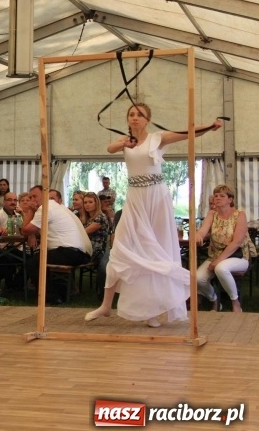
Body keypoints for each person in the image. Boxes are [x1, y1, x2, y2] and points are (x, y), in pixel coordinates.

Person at [85, 103, 223, 327]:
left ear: (148, 119)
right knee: (120, 248)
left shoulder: (157, 138)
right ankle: (106, 305)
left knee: (155, 253)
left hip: (157, 199)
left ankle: (152, 311)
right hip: (135, 199)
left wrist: (209, 125)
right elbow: (110, 148)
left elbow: (187, 132)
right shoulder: (125, 142)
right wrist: (123, 141)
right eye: (131, 114)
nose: (135, 118)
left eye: (139, 115)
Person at [21, 185, 92, 303]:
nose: (32, 200)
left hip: (69, 251)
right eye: (30, 197)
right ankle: (60, 293)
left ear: (44, 195)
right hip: (81, 253)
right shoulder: (57, 207)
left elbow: (25, 230)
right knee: (42, 259)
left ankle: (51, 298)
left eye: (35, 196)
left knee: (32, 263)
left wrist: (30, 211)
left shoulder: (45, 208)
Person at [195, 185, 255, 313]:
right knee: (198, 278)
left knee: (221, 268)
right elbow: (203, 230)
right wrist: (198, 235)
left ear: (230, 200)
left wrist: (217, 261)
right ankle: (214, 300)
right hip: (215, 256)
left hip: (238, 256)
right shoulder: (212, 214)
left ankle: (235, 302)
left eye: (222, 196)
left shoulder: (240, 215)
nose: (217, 198)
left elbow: (237, 242)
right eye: (216, 195)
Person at [78, 193, 109, 264]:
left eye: (90, 202)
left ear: (96, 203)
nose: (87, 204)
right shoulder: (88, 218)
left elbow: (83, 233)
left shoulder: (101, 217)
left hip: (96, 252)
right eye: (85, 202)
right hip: (86, 248)